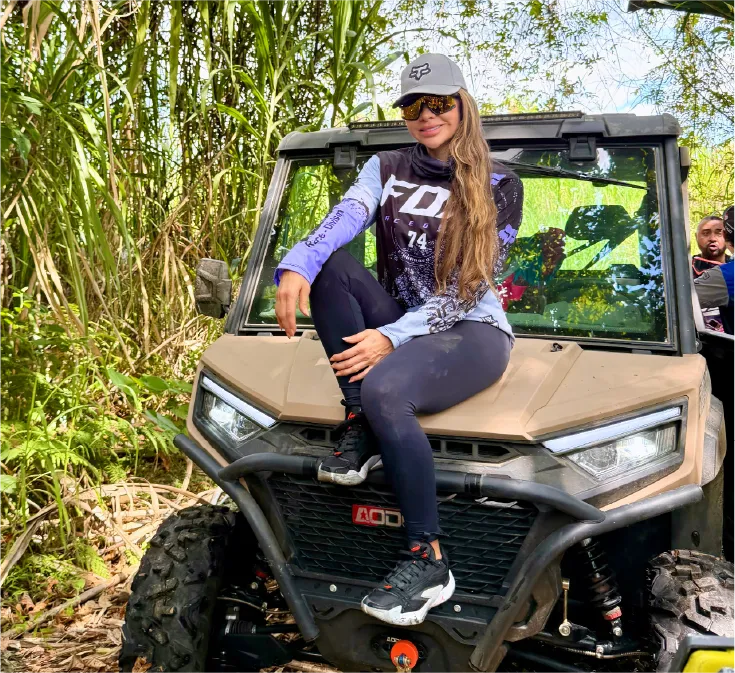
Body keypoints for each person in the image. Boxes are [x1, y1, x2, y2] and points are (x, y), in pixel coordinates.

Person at [273, 53, 523, 626]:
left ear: (462, 105)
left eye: (438, 103)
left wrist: (390, 337)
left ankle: (428, 558)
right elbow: (346, 216)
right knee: (331, 266)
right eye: (412, 106)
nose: (425, 115)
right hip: (403, 319)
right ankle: (359, 421)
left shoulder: (501, 183)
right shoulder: (386, 167)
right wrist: (298, 262)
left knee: (387, 389)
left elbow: (468, 288)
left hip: (470, 328)